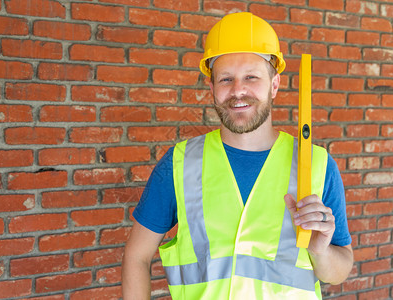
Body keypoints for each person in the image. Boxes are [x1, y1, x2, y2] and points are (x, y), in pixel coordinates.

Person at [122, 12, 353, 299]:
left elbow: (339, 272)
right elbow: (137, 257)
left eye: (251, 77)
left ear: (275, 85)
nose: (238, 91)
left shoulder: (318, 166)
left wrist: (320, 251)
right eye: (226, 79)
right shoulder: (180, 164)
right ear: (211, 88)